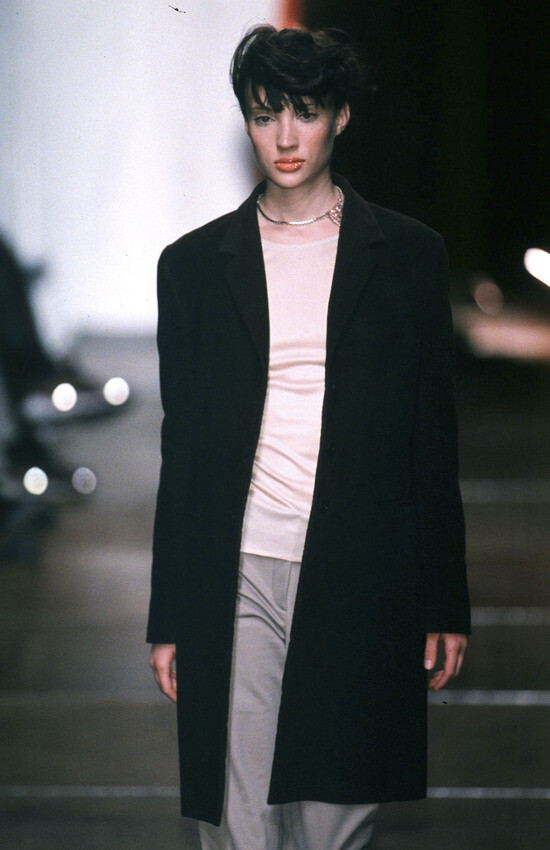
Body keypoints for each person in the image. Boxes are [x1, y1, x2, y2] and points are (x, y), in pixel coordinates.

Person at [148, 25, 470, 850]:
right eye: (265, 116)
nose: (286, 137)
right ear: (246, 123)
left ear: (342, 116)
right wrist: (171, 613)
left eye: (306, 112)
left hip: (360, 569)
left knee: (334, 826)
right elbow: (183, 453)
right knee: (240, 823)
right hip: (241, 568)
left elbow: (430, 443)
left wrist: (443, 600)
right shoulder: (193, 267)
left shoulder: (408, 257)